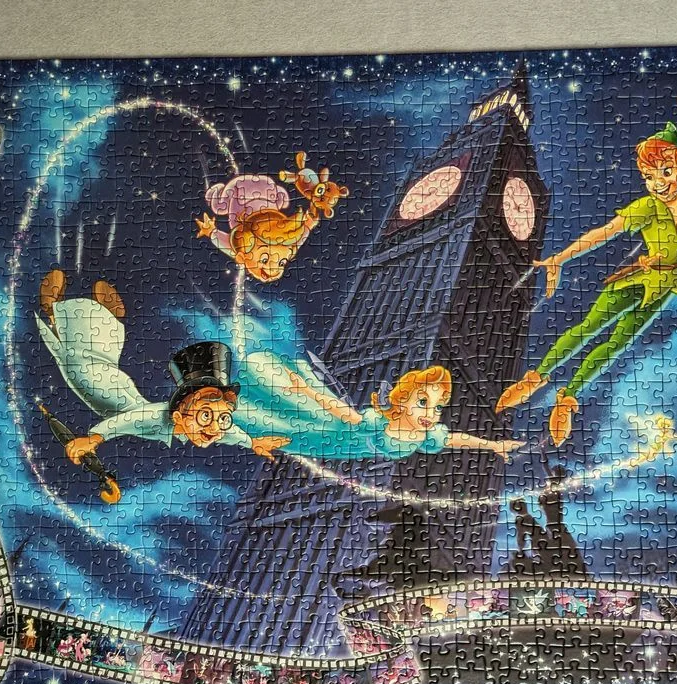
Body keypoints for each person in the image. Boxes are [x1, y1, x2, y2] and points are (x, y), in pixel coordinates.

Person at [496, 100, 677, 446]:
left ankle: (568, 397)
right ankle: (537, 377)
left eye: (665, 172)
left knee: (616, 345)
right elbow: (604, 232)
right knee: (589, 329)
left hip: (666, 284)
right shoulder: (646, 206)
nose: (657, 183)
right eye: (649, 176)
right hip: (633, 280)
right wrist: (560, 258)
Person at [36, 270, 288, 465]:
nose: (214, 428)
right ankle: (55, 310)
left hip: (122, 390)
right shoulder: (159, 416)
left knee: (99, 358)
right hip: (103, 388)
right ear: (178, 415)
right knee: (79, 365)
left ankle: (105, 317)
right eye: (206, 417)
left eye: (221, 418)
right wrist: (93, 438)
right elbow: (125, 421)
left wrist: (252, 442)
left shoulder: (201, 425)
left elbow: (229, 430)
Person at [235, 352, 525, 462]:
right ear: (402, 400)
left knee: (294, 440)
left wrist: (493, 446)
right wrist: (307, 391)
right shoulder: (379, 421)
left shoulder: (426, 436)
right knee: (294, 427)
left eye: (438, 407)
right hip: (333, 433)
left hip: (342, 451)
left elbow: (455, 439)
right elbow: (342, 412)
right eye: (423, 402)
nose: (430, 413)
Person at [194, 154, 346, 283]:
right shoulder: (254, 245)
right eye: (280, 262)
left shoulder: (244, 248)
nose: (275, 269)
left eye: (280, 263)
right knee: (225, 201)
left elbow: (227, 243)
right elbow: (298, 240)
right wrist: (307, 226)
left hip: (257, 202)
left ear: (241, 257)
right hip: (245, 196)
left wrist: (212, 232)